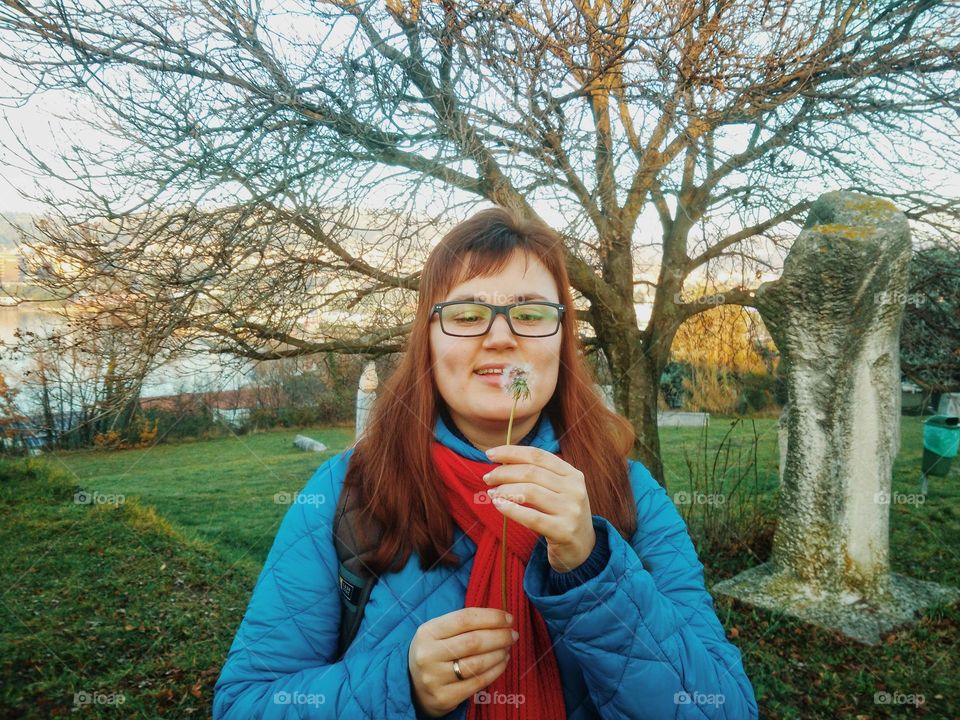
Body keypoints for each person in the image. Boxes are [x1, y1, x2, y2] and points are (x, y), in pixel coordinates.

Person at [213, 208, 758, 719]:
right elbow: (245, 703)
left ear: (562, 339)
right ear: (427, 340)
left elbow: (724, 707)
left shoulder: (629, 495)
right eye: (468, 314)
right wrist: (401, 686)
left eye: (530, 314)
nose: (500, 337)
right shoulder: (346, 492)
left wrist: (594, 570)